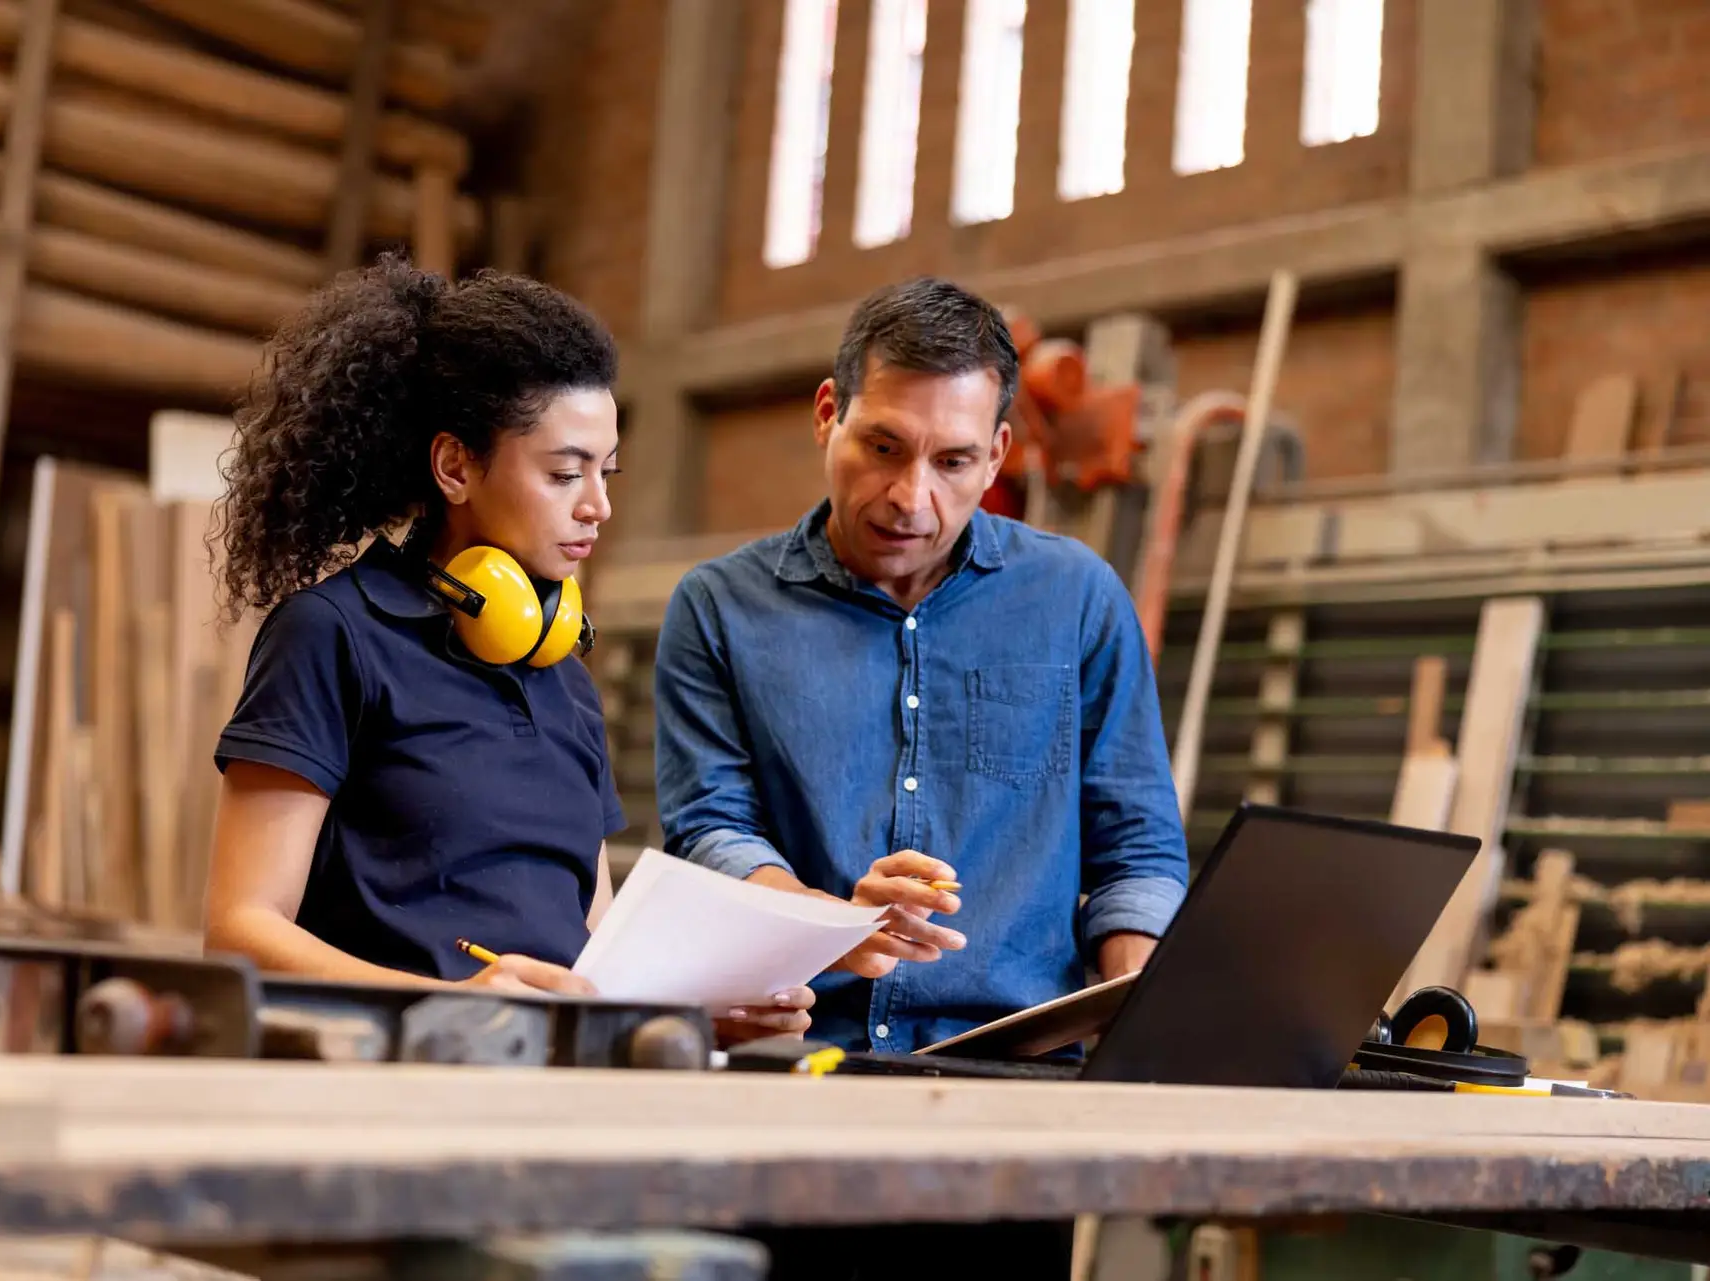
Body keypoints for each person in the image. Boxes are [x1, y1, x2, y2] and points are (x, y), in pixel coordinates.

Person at [200, 254, 810, 1044]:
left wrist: (695, 1013)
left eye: (606, 471)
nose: (599, 505)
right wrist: (455, 1000)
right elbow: (240, 930)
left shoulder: (563, 676)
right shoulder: (331, 634)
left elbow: (592, 955)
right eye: (565, 473)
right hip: (389, 1089)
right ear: (456, 466)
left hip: (549, 1098)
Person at [653, 275, 1189, 1058]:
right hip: (805, 1054)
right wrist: (833, 925)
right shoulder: (719, 609)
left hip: (1025, 1068)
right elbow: (712, 830)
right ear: (828, 413)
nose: (912, 497)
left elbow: (1135, 848)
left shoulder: (1076, 598)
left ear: (997, 453)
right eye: (884, 448)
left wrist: (1136, 1016)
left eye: (954, 462)